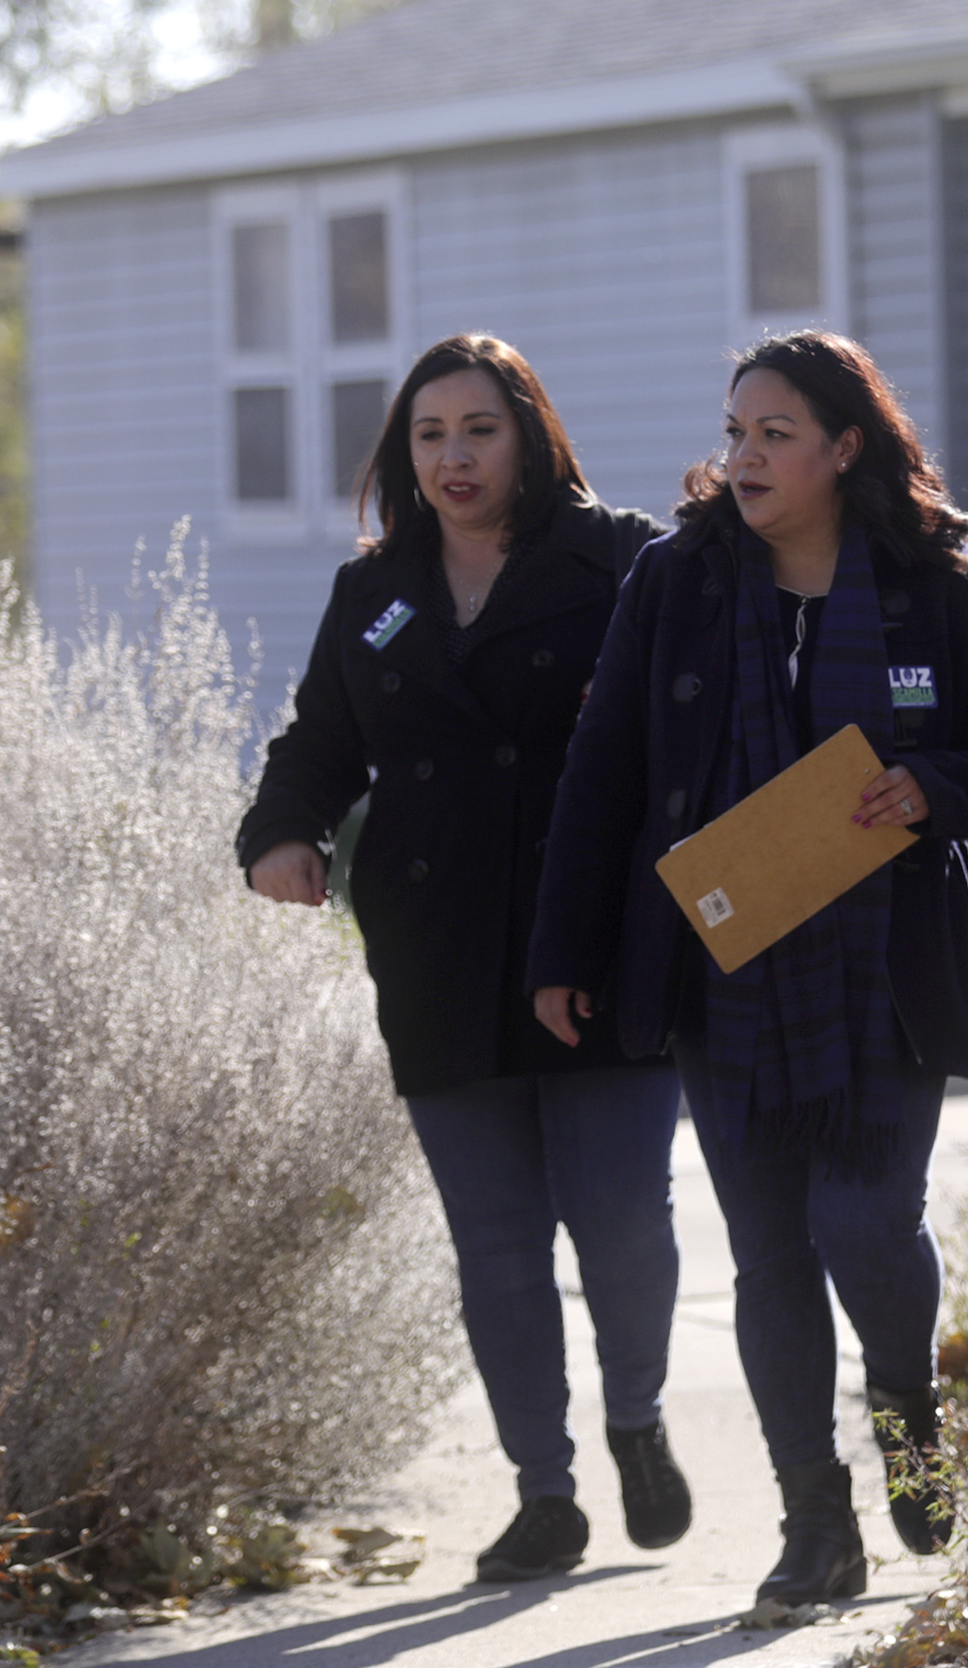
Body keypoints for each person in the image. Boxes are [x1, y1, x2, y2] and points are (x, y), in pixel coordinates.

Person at [527, 331, 968, 1605]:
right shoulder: (678, 581)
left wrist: (927, 787)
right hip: (728, 967)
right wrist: (564, 950)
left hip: (891, 966)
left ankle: (909, 1416)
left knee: (866, 1222)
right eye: (734, 432)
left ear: (845, 446)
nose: (745, 457)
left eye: (774, 434)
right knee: (767, 1254)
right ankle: (814, 1520)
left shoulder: (950, 584)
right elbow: (603, 769)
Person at [239, 334, 691, 1583]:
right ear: (403, 455)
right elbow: (320, 741)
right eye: (429, 434)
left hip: (595, 935)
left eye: (479, 429)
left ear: (529, 436)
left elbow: (699, 723)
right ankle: (544, 1492)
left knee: (620, 1223)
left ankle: (637, 1419)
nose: (453, 456)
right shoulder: (373, 593)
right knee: (496, 1246)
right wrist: (281, 829)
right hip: (439, 952)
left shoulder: (622, 561)